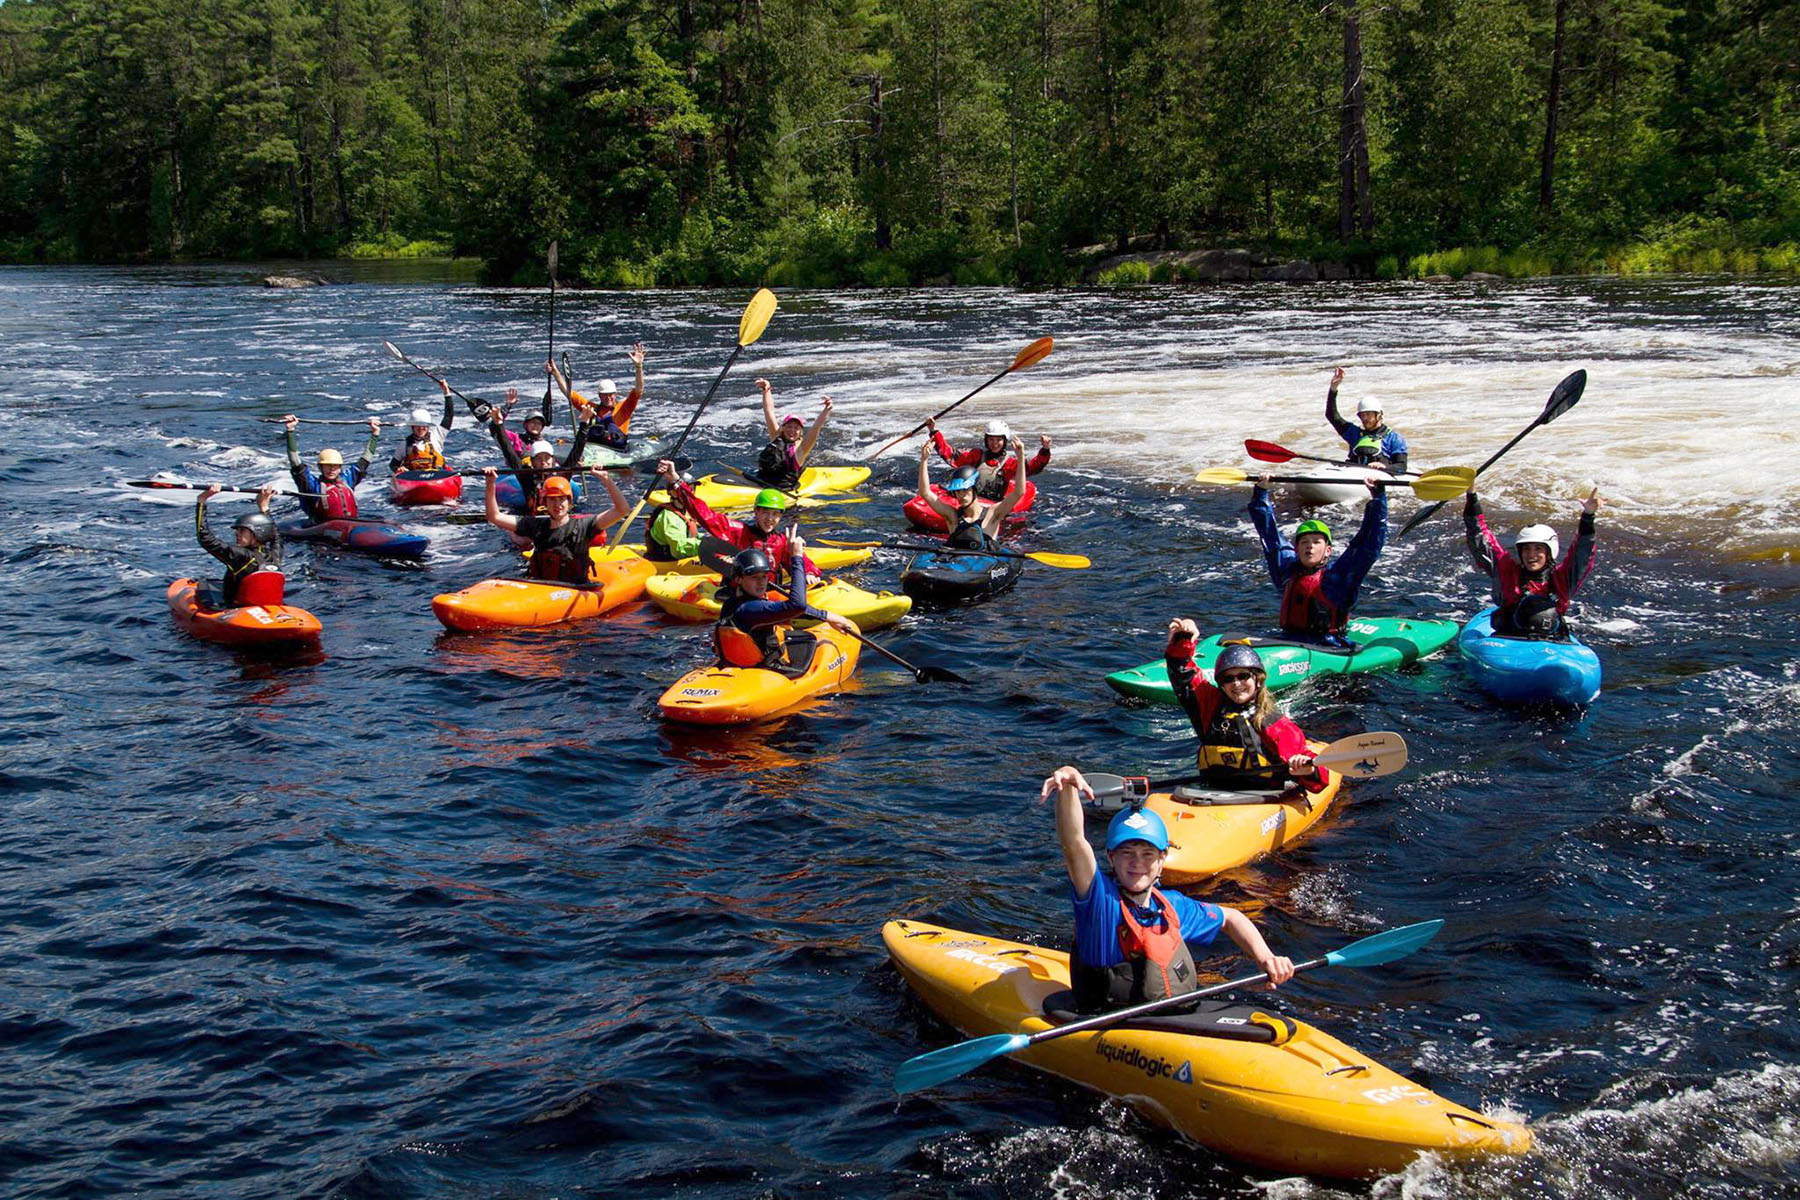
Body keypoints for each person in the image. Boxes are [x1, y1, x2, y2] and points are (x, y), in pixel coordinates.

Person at [1040, 765, 1296, 1013]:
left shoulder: (1172, 907)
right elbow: (1073, 843)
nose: (1137, 863)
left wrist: (1266, 958)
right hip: (1106, 1023)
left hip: (1172, 1019)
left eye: (1147, 854)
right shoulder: (1100, 903)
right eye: (1126, 853)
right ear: (1111, 858)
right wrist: (1069, 786)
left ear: (1162, 860)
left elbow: (1232, 917)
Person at [1165, 623, 1331, 793]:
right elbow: (1183, 674)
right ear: (1221, 684)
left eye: (1243, 676)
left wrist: (1309, 770)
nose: (1236, 684)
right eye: (1228, 679)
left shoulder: (1274, 723)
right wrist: (1183, 640)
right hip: (1212, 794)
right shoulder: (1210, 707)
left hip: (1260, 798)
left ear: (1258, 679)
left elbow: (1320, 779)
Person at [1249, 473, 1386, 645]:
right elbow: (1268, 532)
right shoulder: (1287, 569)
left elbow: (1368, 544)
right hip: (1287, 640)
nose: (1310, 546)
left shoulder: (1337, 578)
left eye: (1316, 542)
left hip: (1327, 645)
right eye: (1304, 542)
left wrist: (1378, 499)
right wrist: (1261, 491)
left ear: (1328, 550)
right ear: (1296, 549)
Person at [1464, 487, 1601, 639]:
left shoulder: (1562, 578)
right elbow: (1480, 538)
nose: (1531, 555)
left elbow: (1583, 553)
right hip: (1508, 638)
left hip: (1551, 639)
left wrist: (1588, 516)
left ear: (1549, 552)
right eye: (1526, 549)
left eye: (1538, 549)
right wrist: (1472, 496)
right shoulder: (1506, 569)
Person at [656, 460, 822, 583]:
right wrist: (677, 481)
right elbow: (703, 514)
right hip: (740, 595)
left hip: (768, 593)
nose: (770, 519)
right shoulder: (737, 531)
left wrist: (809, 573)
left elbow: (801, 563)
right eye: (765, 513)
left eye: (775, 514)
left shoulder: (782, 542)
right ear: (756, 512)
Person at [712, 535, 856, 676]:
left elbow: (786, 608)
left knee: (800, 635)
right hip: (763, 671)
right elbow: (797, 606)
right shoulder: (750, 609)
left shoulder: (733, 603)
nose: (761, 582)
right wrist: (797, 557)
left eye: (764, 576)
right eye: (754, 577)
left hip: (735, 665)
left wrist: (827, 616)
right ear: (738, 579)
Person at [479, 467, 628, 585]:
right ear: (545, 504)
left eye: (561, 500)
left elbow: (622, 510)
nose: (557, 505)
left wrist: (607, 480)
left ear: (569, 502)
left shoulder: (585, 525)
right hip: (540, 587)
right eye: (552, 500)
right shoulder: (535, 525)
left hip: (575, 588)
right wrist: (490, 483)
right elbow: (494, 517)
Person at [915, 438, 1029, 550]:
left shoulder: (993, 514)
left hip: (985, 565)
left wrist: (1020, 456)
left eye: (965, 490)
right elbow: (925, 492)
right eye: (958, 492)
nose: (961, 495)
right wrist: (924, 460)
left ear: (975, 489)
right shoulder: (952, 517)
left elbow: (1019, 492)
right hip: (958, 565)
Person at [490, 405, 594, 514]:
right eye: (539, 459)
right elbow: (509, 451)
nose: (543, 462)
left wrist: (584, 423)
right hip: (534, 523)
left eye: (547, 458)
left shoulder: (561, 476)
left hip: (557, 522)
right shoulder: (527, 479)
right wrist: (499, 424)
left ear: (553, 460)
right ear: (533, 462)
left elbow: (576, 451)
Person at [194, 484, 283, 604]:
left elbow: (205, 538)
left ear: (257, 532)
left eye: (242, 530)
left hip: (237, 607)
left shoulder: (240, 555)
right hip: (264, 605)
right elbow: (275, 535)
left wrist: (202, 501)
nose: (237, 534)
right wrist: (264, 507)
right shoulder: (274, 555)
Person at [925, 417, 1051, 501]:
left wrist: (1045, 450)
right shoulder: (975, 455)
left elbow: (1033, 467)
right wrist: (933, 431)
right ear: (986, 440)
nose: (994, 444)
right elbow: (950, 454)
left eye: (998, 440)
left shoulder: (1010, 463)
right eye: (991, 439)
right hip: (972, 500)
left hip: (993, 505)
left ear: (1004, 441)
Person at [548, 342, 645, 450]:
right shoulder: (591, 409)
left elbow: (638, 390)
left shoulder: (624, 408)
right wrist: (555, 372)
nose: (608, 398)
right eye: (604, 395)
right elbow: (568, 392)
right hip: (594, 451)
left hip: (616, 452)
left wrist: (638, 366)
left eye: (610, 394)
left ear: (615, 394)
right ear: (599, 396)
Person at [284, 414, 379, 521]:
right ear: (321, 468)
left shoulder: (348, 480)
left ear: (340, 468)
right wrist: (290, 431)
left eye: (335, 467)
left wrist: (375, 434)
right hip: (321, 527)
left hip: (351, 523)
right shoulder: (311, 485)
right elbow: (295, 462)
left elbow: (366, 459)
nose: (331, 470)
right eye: (327, 466)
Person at [1325, 367, 1408, 474]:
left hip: (1379, 477)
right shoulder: (1355, 434)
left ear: (1379, 414)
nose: (1364, 419)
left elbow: (1402, 466)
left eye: (1368, 415)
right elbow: (1332, 416)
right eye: (1362, 415)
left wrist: (1384, 466)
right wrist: (1333, 389)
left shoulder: (1394, 438)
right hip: (1354, 475)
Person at [756, 378, 831, 489]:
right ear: (783, 427)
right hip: (759, 481)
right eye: (789, 426)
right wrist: (766, 390)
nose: (791, 430)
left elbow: (816, 428)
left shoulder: (801, 448)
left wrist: (827, 409)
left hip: (782, 489)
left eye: (796, 428)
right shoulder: (776, 436)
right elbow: (769, 412)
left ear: (800, 431)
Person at [390, 381, 456, 472]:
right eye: (418, 426)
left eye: (424, 426)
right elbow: (393, 464)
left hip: (437, 478)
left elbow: (449, 416)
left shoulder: (437, 435)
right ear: (412, 427)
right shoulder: (405, 445)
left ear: (428, 426)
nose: (421, 428)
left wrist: (446, 392)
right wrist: (399, 469)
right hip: (414, 480)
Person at [643, 467, 704, 564]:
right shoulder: (670, 517)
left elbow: (689, 535)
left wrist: (708, 539)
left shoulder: (684, 512)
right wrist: (706, 546)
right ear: (673, 493)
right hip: (665, 561)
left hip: (677, 556)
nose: (691, 493)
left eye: (692, 489)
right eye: (688, 490)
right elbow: (679, 549)